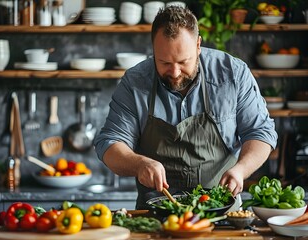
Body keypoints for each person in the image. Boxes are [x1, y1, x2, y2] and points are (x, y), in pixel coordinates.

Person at [94, 6, 278, 209]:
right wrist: (139, 164)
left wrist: (241, 170)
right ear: (154, 49)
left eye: (183, 61)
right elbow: (109, 143)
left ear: (198, 45)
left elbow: (261, 132)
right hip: (157, 214)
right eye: (164, 62)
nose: (174, 72)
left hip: (221, 210)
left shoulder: (233, 74)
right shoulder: (135, 82)